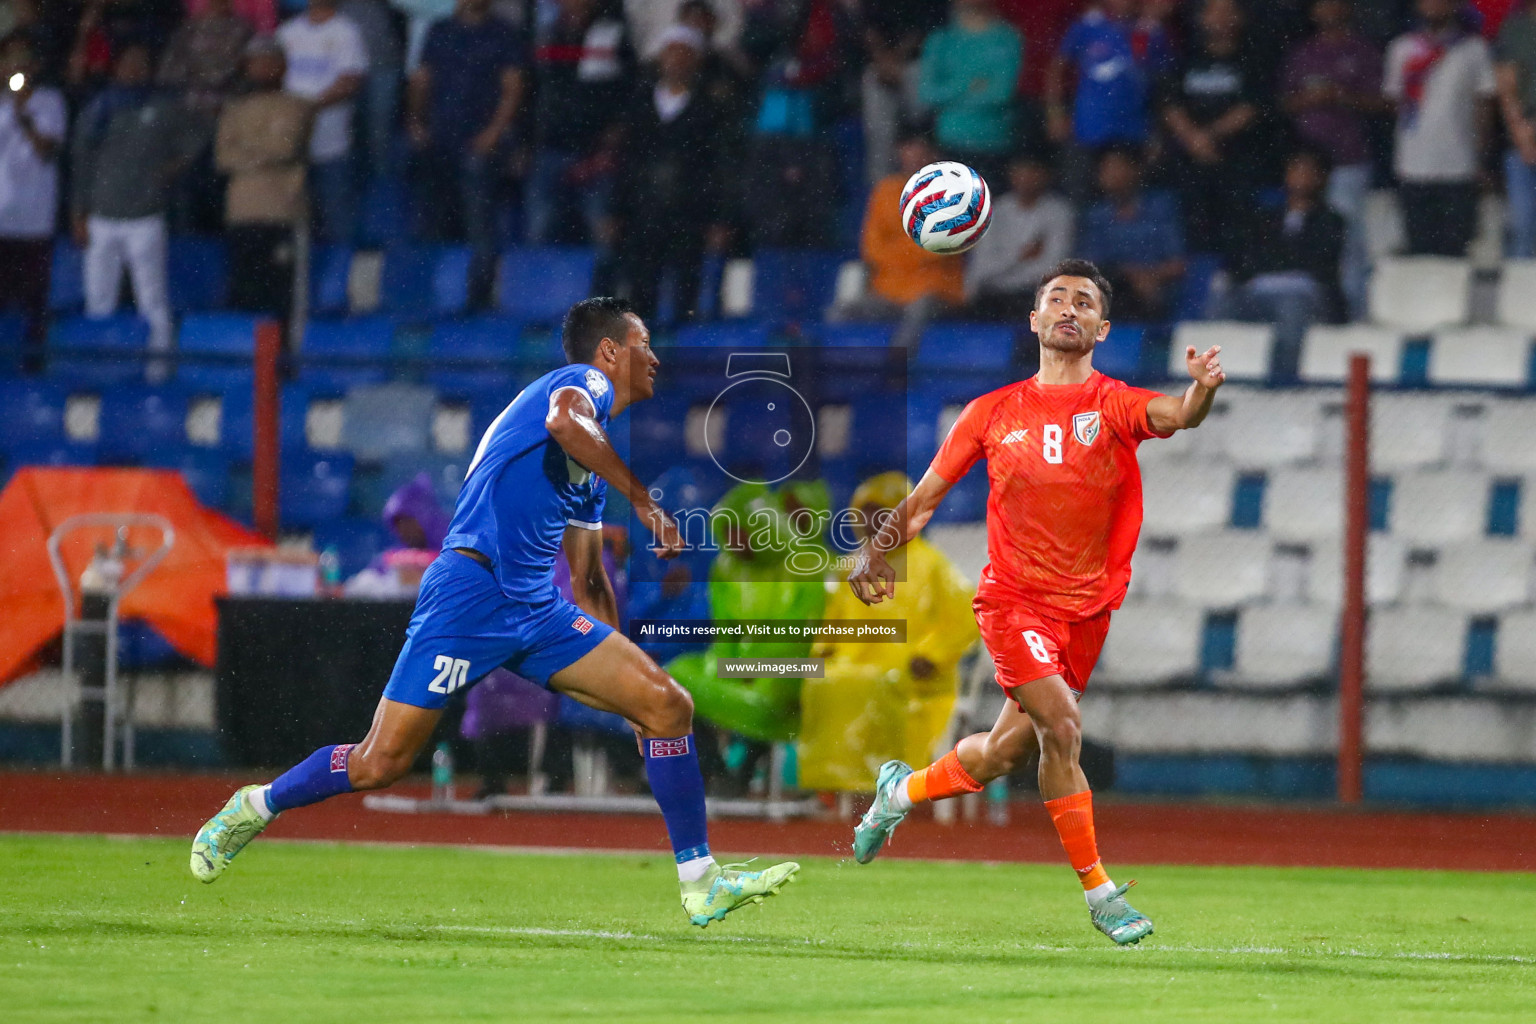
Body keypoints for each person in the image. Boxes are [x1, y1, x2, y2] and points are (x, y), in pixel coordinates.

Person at [189, 296, 801, 928]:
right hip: (470, 596)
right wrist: (643, 501)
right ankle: (256, 805)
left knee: (666, 704)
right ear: (610, 352)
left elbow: (589, 576)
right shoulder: (578, 385)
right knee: (382, 763)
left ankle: (701, 883)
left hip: (539, 609)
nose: (655, 357)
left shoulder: (594, 461)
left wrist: (623, 680)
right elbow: (566, 422)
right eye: (643, 343)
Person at [847, 257, 1227, 946]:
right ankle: (1101, 892)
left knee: (1001, 754)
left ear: (1102, 328)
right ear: (1034, 320)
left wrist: (1199, 391)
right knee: (1065, 726)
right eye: (1057, 298)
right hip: (1013, 600)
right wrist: (877, 549)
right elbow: (926, 497)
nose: (1069, 308)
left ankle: (896, 794)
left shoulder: (1113, 404)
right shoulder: (991, 412)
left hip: (1086, 609)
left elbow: (1177, 414)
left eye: (1085, 302)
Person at [798, 471, 977, 793]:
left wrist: (931, 655)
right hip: (854, 668)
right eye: (864, 513)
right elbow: (833, 622)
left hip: (915, 678)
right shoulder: (850, 567)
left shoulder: (932, 566)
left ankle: (887, 787)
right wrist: (823, 650)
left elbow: (965, 620)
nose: (870, 522)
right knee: (819, 683)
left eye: (880, 514)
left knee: (875, 686)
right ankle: (833, 785)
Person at [71, 43, 205, 373]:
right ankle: (99, 370)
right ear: (115, 68)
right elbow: (81, 161)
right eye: (128, 63)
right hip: (101, 216)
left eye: (141, 63)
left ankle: (158, 371)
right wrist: (78, 212)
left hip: (146, 216)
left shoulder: (165, 107)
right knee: (98, 301)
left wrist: (177, 164)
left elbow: (200, 133)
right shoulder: (99, 109)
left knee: (153, 301)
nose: (134, 69)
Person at [408, 0, 525, 308]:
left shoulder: (503, 33)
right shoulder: (440, 30)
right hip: (440, 139)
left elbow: (512, 88)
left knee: (479, 223)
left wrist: (493, 133)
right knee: (430, 221)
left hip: (479, 141)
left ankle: (478, 297)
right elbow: (422, 78)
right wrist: (416, 120)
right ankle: (428, 297)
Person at [611, 23, 724, 325]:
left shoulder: (709, 109)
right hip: (643, 209)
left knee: (686, 286)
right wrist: (616, 208)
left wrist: (719, 217)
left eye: (684, 54)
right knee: (640, 285)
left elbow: (718, 166)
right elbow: (627, 161)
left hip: (688, 210)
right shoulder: (640, 104)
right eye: (671, 53)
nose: (676, 61)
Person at [1280, 0, 1384, 317]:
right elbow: (1283, 102)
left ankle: (1353, 316)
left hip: (1347, 162)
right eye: (1321, 5)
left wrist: (1340, 96)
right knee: (1302, 238)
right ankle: (1311, 313)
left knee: (1348, 243)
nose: (1328, 10)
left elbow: (1384, 103)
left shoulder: (1363, 51)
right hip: (1306, 165)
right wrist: (1307, 99)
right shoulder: (1303, 54)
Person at [1212, 148, 1345, 380]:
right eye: (1296, 169)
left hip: (1304, 295)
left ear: (1321, 177)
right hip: (1259, 291)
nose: (1301, 176)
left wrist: (1280, 262)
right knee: (1221, 303)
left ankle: (1284, 383)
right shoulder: (1265, 218)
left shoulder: (1332, 221)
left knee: (1290, 309)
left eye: (1308, 171)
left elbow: (1319, 264)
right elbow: (1249, 259)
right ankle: (1216, 381)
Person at [1158, 0, 1273, 262]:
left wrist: (1208, 136)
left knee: (1236, 236)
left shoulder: (1252, 57)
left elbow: (1252, 106)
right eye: (1214, 11)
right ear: (1202, 18)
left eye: (1228, 11)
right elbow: (1169, 104)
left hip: (1237, 162)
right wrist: (1193, 138)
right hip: (1191, 162)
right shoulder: (1187, 56)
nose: (1221, 18)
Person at [828, 127, 963, 347]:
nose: (915, 155)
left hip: (935, 291)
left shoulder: (956, 193)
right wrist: (913, 250)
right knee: (839, 313)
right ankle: (845, 376)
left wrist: (898, 251)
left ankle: (898, 372)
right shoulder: (884, 191)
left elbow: (939, 247)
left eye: (921, 149)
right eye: (909, 148)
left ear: (934, 155)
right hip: (888, 291)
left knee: (918, 311)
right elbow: (872, 250)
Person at [1384, 0, 1495, 256]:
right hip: (1413, 165)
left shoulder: (1473, 49)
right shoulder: (1402, 48)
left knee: (1455, 250)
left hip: (1459, 166)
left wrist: (1482, 157)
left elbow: (1484, 105)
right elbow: (1393, 102)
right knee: (1419, 250)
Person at [215, 36, 312, 318]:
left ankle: (284, 362)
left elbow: (284, 148)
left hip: (283, 214)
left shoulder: (298, 106)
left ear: (283, 66)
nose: (262, 68)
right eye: (256, 63)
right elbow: (224, 158)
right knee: (245, 296)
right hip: (242, 215)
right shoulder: (234, 109)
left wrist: (245, 150)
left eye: (270, 62)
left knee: (283, 301)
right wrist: (262, 150)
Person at [1047, 0, 1173, 198]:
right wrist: (1055, 113)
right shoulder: (1087, 27)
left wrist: (1158, 131)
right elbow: (1057, 70)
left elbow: (1163, 87)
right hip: (1089, 130)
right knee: (1082, 197)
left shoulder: (1152, 32)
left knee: (1135, 200)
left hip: (1135, 130)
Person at [0, 33, 65, 371]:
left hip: (34, 222)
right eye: (9, 61)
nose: (15, 68)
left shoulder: (49, 101)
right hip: (1, 222)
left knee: (33, 302)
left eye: (22, 62)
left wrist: (23, 114)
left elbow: (46, 150)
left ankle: (33, 370)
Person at [277, 0, 367, 244]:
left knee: (336, 217)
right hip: (290, 144)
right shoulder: (287, 32)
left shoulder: (346, 31)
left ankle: (340, 277)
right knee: (291, 221)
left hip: (330, 143)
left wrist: (306, 108)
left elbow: (350, 81)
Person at [916, 0, 1023, 184]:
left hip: (994, 143)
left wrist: (951, 94)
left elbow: (1002, 93)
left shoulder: (1008, 39)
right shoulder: (940, 40)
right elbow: (927, 92)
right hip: (949, 143)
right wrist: (967, 86)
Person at [1079, 145, 1185, 323]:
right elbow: (1090, 266)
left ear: (1136, 170)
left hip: (1157, 289)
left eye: (1117, 166)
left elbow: (1178, 265)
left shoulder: (1161, 207)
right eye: (1105, 168)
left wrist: (1150, 276)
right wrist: (1130, 276)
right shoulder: (1096, 215)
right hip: (1113, 288)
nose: (1111, 174)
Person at [965, 151, 1074, 322]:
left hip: (1032, 295)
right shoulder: (996, 211)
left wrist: (1008, 271)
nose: (1025, 178)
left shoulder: (1059, 212)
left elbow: (1053, 269)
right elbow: (982, 268)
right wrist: (1021, 257)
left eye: (1032, 171)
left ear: (1046, 175)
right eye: (1020, 171)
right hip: (994, 294)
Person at [1496, 0, 1536, 256]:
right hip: (1526, 134)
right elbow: (1506, 86)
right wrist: (1522, 134)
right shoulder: (1516, 29)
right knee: (1522, 227)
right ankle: (1522, 295)